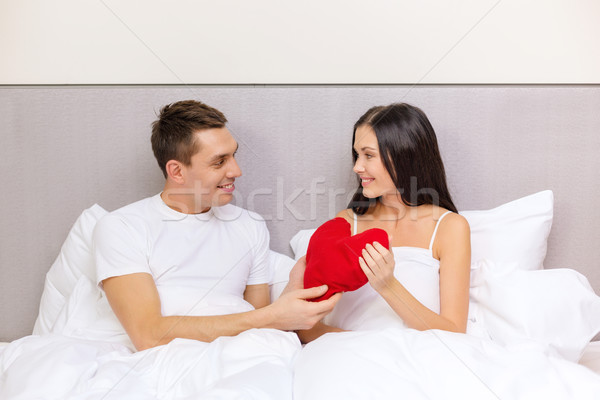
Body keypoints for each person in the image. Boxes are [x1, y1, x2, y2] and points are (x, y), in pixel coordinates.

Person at [93, 100, 341, 351]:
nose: (236, 170)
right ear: (177, 171)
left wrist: (286, 302)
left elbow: (258, 329)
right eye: (219, 162)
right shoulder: (123, 227)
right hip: (168, 359)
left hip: (242, 357)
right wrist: (274, 315)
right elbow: (148, 335)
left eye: (234, 155)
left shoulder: (249, 225)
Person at [297, 103, 470, 343]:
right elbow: (307, 329)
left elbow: (454, 332)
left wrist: (388, 286)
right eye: (357, 155)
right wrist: (369, 345)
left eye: (368, 155)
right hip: (347, 355)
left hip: (419, 357)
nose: (357, 167)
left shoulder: (450, 227)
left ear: (404, 156)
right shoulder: (344, 225)